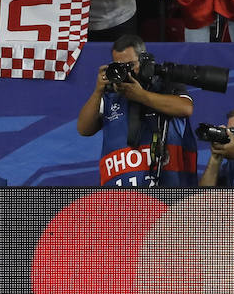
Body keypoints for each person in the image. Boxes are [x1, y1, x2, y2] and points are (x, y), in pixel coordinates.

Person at [76, 34, 198, 187]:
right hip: (120, 199)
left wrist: (141, 96)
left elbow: (185, 108)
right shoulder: (110, 94)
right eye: (119, 66)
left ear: (144, 61)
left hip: (167, 192)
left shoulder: (164, 84)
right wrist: (97, 91)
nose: (127, 72)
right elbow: (84, 129)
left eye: (130, 65)